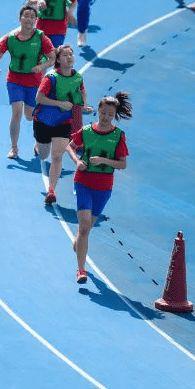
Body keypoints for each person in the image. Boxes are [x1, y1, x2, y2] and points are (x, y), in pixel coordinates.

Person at [65, 91, 131, 284]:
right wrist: (78, 161)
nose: (106, 118)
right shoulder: (86, 131)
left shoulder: (118, 135)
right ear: (98, 111)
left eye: (110, 115)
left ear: (114, 115)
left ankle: (79, 243)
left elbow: (122, 164)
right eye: (103, 114)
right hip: (83, 181)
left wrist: (102, 160)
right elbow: (70, 146)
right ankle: (81, 270)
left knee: (86, 229)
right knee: (84, 227)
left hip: (103, 187)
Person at [0, 2, 57, 159]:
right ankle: (14, 148)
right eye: (25, 15)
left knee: (30, 115)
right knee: (16, 113)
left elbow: (53, 58)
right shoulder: (10, 38)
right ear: (20, 18)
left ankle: (40, 139)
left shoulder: (41, 38)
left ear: (36, 20)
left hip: (33, 82)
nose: (28, 19)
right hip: (14, 79)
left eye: (32, 17)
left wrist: (41, 67)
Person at [33, 45, 92, 205]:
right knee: (44, 155)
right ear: (58, 59)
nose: (69, 57)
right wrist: (59, 103)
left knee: (57, 156)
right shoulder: (51, 78)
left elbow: (81, 92)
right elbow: (39, 98)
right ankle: (38, 147)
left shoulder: (78, 78)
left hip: (64, 122)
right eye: (65, 55)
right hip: (43, 121)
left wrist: (84, 105)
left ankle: (51, 190)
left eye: (71, 54)